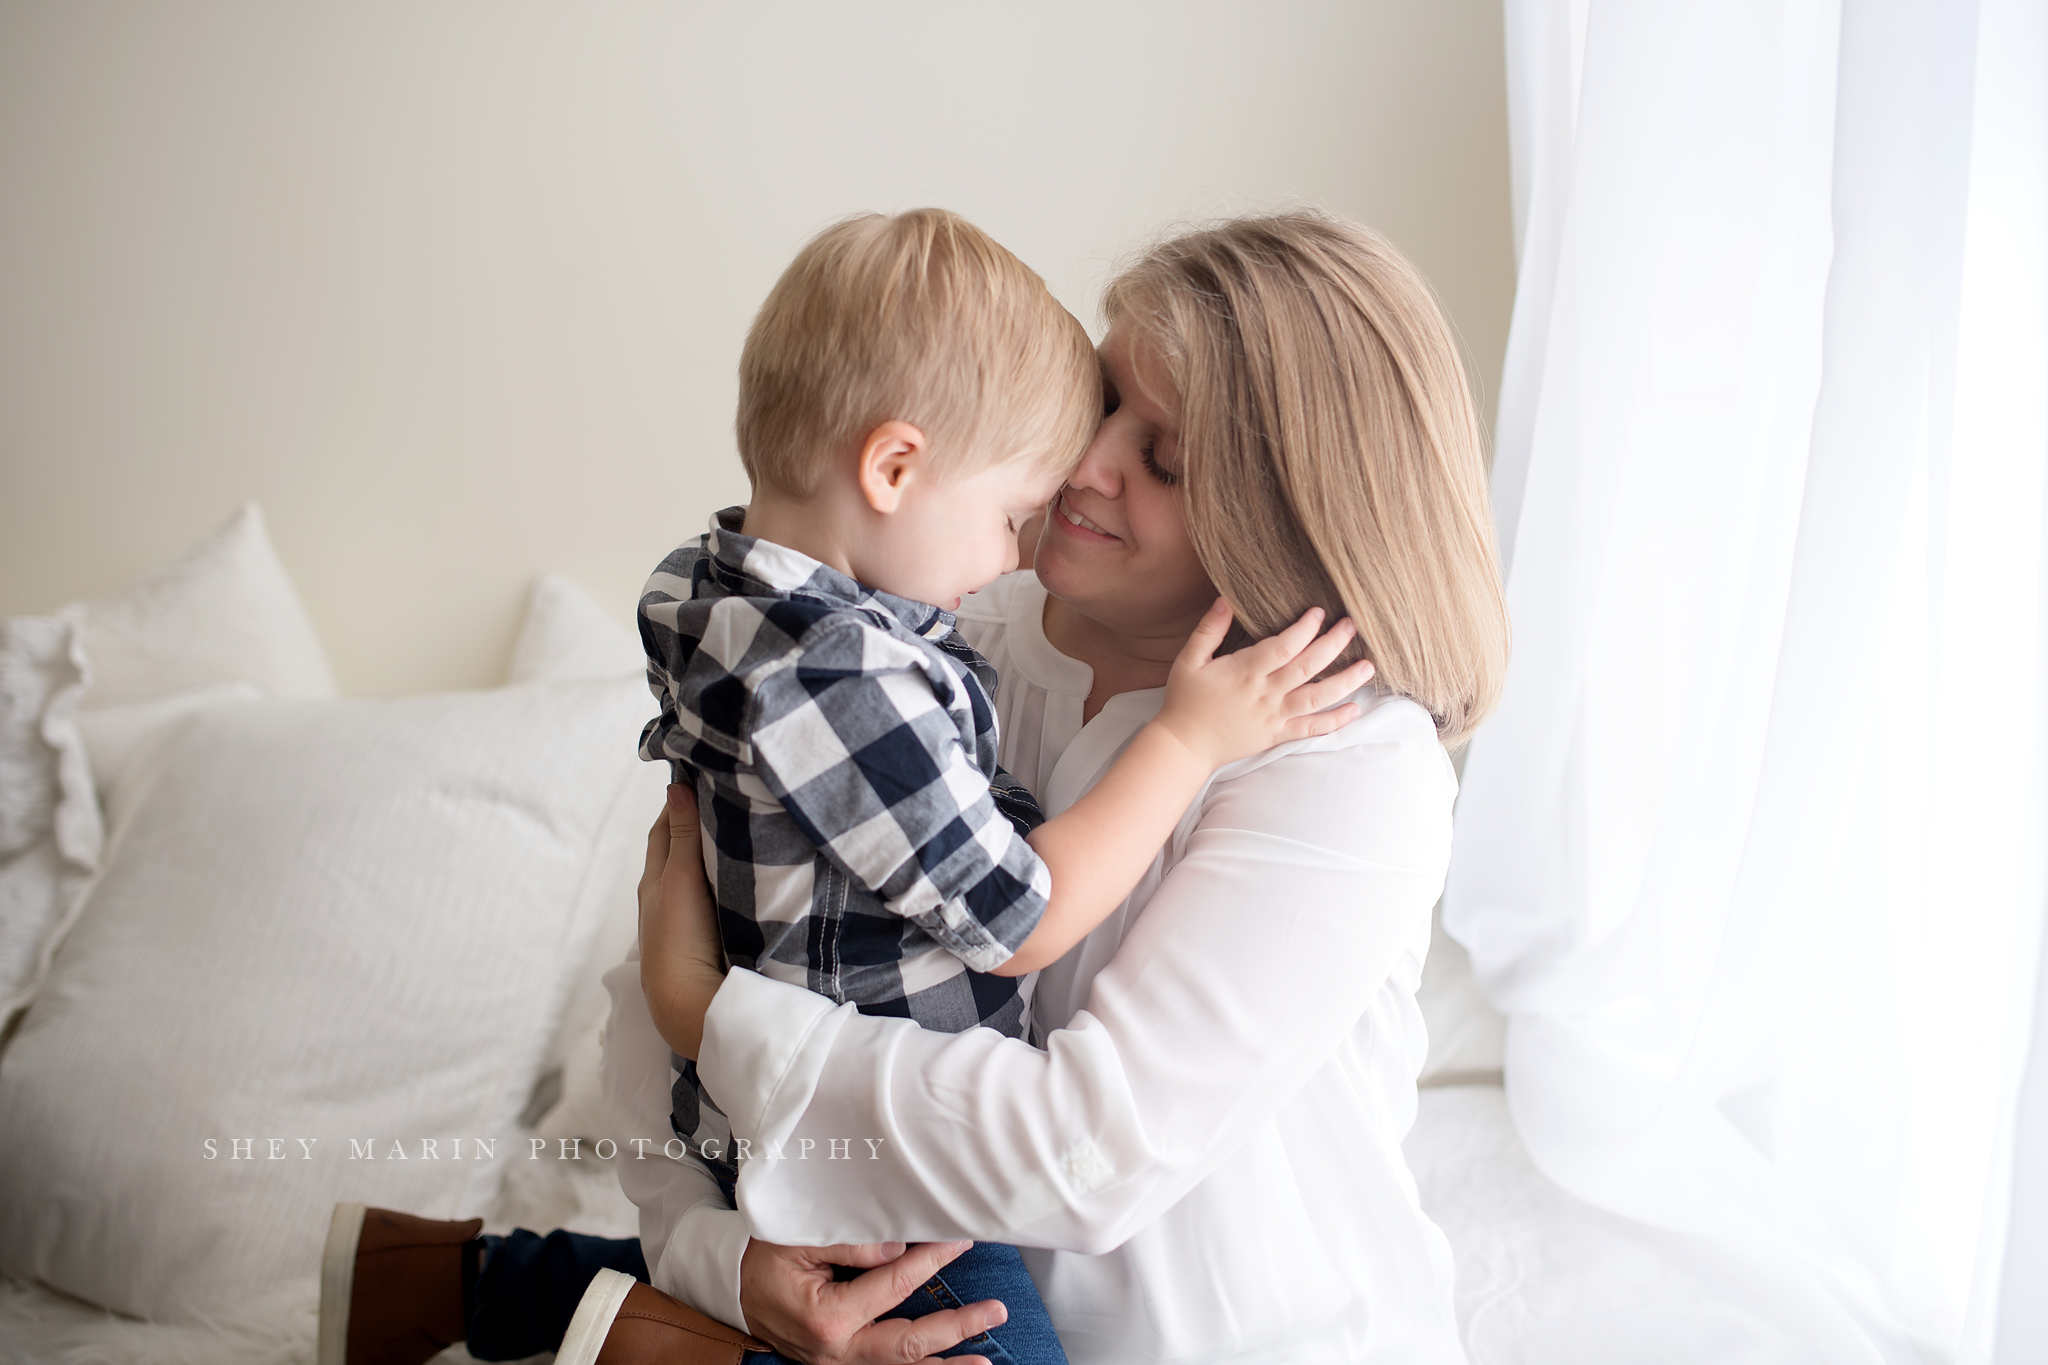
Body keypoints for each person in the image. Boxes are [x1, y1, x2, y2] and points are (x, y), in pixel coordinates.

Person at [321, 209, 1507, 1365]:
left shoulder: (1345, 766)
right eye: (1098, 402)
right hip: (914, 1290)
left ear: (1280, 514)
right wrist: (715, 1255)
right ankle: (527, 1293)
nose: (1080, 468)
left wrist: (709, 1018)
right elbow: (696, 952)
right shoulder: (913, 634)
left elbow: (1082, 1156)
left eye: (1161, 457)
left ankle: (514, 1296)